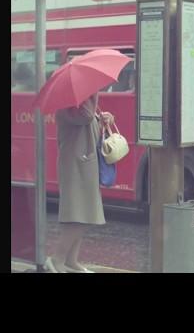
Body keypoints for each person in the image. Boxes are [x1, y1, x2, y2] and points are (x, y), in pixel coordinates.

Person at [44, 93, 115, 273]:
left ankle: (70, 260)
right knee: (82, 214)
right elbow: (86, 117)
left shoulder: (82, 106)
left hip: (83, 165)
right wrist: (94, 95)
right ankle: (57, 259)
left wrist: (104, 120)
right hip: (75, 166)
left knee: (79, 213)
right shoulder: (69, 107)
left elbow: (90, 125)